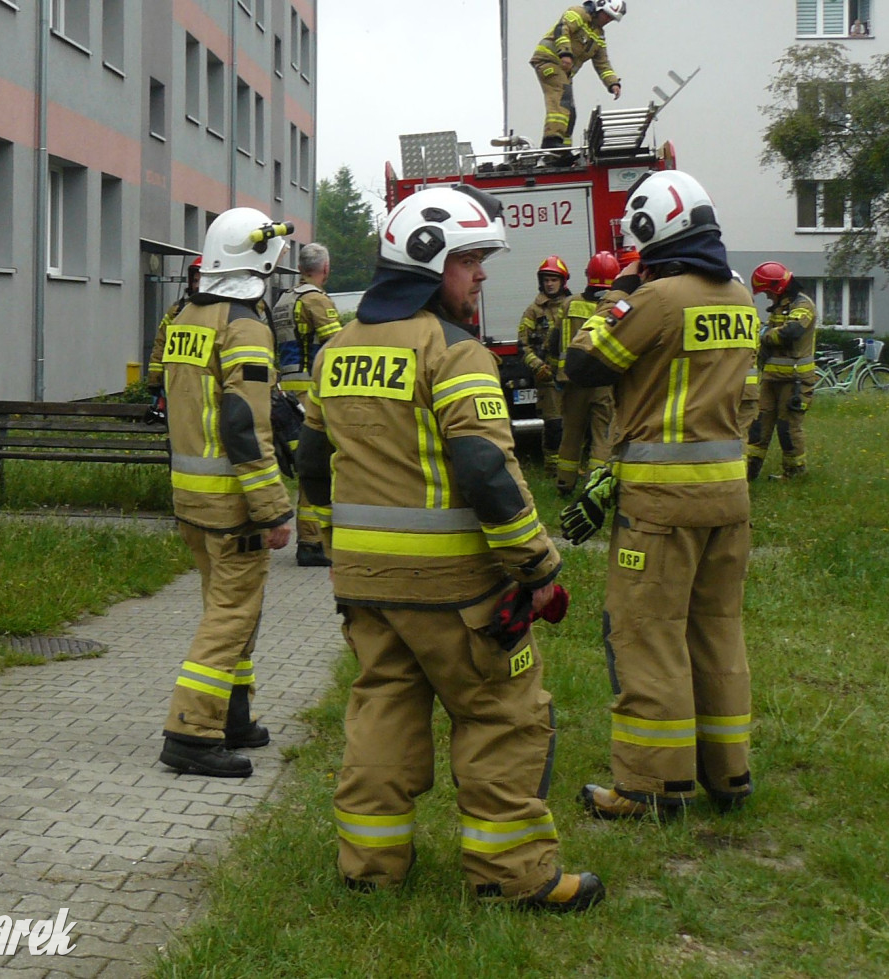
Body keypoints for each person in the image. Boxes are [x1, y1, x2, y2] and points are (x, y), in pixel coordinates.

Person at [296, 184, 603, 911]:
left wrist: (334, 543)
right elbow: (486, 471)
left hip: (366, 586)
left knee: (383, 712)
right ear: (431, 264)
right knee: (502, 715)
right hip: (460, 592)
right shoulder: (457, 351)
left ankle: (368, 868)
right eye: (471, 261)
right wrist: (536, 564)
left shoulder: (337, 350)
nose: (483, 276)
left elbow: (311, 463)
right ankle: (513, 875)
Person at [563, 169, 757, 819]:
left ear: (653, 230)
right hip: (728, 499)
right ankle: (728, 773)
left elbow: (583, 363)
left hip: (661, 504)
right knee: (717, 631)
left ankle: (649, 784)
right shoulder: (738, 297)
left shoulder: (657, 299)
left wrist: (620, 286)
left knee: (647, 634)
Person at [158, 207, 294, 779]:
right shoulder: (245, 325)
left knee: (231, 610)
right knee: (230, 617)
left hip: (191, 496)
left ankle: (233, 717)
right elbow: (243, 423)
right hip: (232, 500)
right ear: (258, 259)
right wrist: (273, 508)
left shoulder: (188, 315)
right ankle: (191, 733)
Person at [271, 242, 343, 567]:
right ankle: (312, 542)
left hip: (285, 392)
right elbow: (338, 345)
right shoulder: (316, 300)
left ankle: (310, 539)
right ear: (325, 268)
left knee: (303, 466)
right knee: (318, 465)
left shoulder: (284, 299)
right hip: (311, 393)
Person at [554, 250, 620, 496]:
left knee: (571, 433)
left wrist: (557, 374)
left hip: (573, 381)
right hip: (604, 382)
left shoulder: (570, 303)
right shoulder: (617, 308)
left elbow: (555, 342)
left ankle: (564, 483)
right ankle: (595, 487)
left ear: (587, 274)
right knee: (602, 435)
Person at [746, 261, 818, 481]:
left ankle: (795, 473)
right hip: (771, 379)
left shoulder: (803, 305)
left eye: (767, 292)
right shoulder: (781, 306)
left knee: (787, 428)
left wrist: (762, 336)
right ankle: (748, 472)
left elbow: (791, 332)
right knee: (758, 426)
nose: (767, 297)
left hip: (795, 380)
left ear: (777, 288)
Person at [530, 0, 625, 162]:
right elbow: (562, 29)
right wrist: (565, 53)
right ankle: (551, 142)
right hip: (549, 60)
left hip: (563, 71)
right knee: (560, 99)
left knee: (570, 112)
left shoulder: (598, 35)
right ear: (599, 9)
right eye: (607, 16)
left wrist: (613, 83)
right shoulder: (578, 13)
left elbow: (602, 63)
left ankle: (561, 153)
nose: (607, 20)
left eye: (611, 19)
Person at [517, 255, 573, 475]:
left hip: (572, 377)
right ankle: (552, 469)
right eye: (546, 279)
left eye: (554, 279)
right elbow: (523, 346)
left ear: (562, 281)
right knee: (553, 426)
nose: (550, 283)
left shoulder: (572, 306)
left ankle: (571, 467)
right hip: (548, 379)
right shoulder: (534, 311)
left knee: (573, 426)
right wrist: (539, 367)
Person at [146, 255, 202, 403]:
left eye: (202, 280)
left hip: (203, 385)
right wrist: (155, 379)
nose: (197, 285)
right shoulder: (177, 310)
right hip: (174, 384)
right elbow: (161, 343)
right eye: (195, 280)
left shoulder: (220, 312)